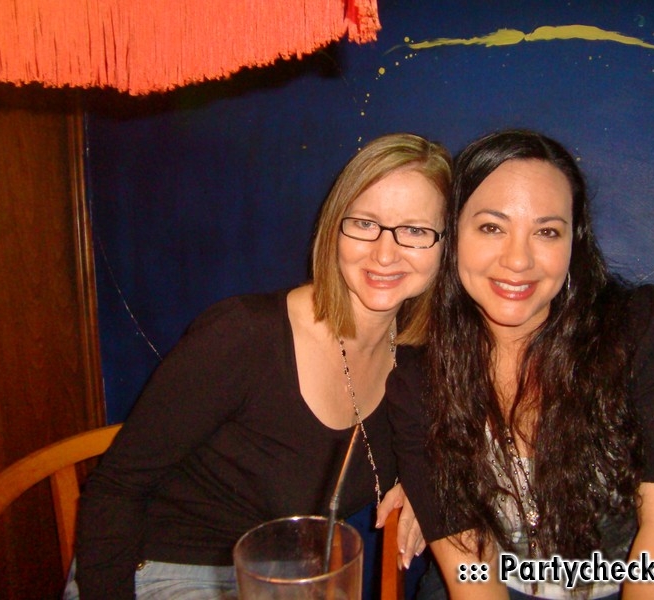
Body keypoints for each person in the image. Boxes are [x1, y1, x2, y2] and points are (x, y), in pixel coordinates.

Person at [66, 132, 451, 599]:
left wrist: (422, 482)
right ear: (334, 228)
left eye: (415, 231)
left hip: (284, 578)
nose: (385, 253)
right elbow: (115, 488)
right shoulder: (244, 335)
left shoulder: (415, 361)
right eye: (365, 223)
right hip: (163, 571)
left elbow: (441, 446)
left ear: (445, 247)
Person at [385, 129, 654, 599]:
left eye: (547, 231)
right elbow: (468, 571)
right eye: (491, 227)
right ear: (453, 235)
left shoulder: (641, 331)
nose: (518, 260)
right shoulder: (421, 376)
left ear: (574, 242)